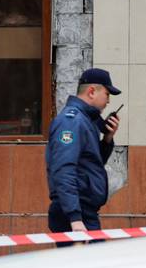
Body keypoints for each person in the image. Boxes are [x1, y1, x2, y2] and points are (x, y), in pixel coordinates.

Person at [45, 68, 121, 246]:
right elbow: (64, 169)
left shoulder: (86, 120)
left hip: (82, 210)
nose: (108, 101)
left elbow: (91, 165)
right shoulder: (72, 121)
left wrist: (107, 139)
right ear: (92, 91)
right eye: (107, 94)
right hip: (75, 212)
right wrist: (75, 218)